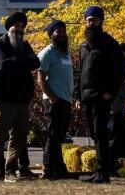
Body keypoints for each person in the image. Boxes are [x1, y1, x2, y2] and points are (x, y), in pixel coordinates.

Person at [0, 12, 41, 182]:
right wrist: (24, 61)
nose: (19, 29)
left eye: (22, 26)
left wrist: (17, 61)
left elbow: (36, 63)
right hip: (3, 99)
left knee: (19, 137)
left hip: (22, 100)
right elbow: (3, 64)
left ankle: (10, 171)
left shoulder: (25, 44)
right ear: (8, 27)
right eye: (16, 25)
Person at [75, 6, 125, 184]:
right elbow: (81, 72)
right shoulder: (83, 46)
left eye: (95, 20)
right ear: (85, 21)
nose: (92, 23)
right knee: (95, 135)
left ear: (101, 22)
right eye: (89, 20)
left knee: (101, 134)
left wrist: (110, 92)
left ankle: (104, 173)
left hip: (101, 97)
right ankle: (99, 171)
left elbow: (121, 71)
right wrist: (77, 96)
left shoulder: (110, 44)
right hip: (86, 97)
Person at [37, 20, 76, 180]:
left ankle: (58, 170)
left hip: (65, 99)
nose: (61, 34)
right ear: (50, 35)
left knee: (59, 137)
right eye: (57, 31)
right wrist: (52, 98)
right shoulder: (47, 53)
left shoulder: (65, 52)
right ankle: (48, 170)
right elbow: (41, 79)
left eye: (63, 31)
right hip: (53, 100)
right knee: (53, 136)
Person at [109, 43, 125, 175]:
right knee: (116, 140)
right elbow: (117, 89)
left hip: (120, 110)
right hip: (115, 110)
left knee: (123, 141)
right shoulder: (115, 67)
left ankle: (112, 165)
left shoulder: (119, 67)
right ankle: (109, 166)